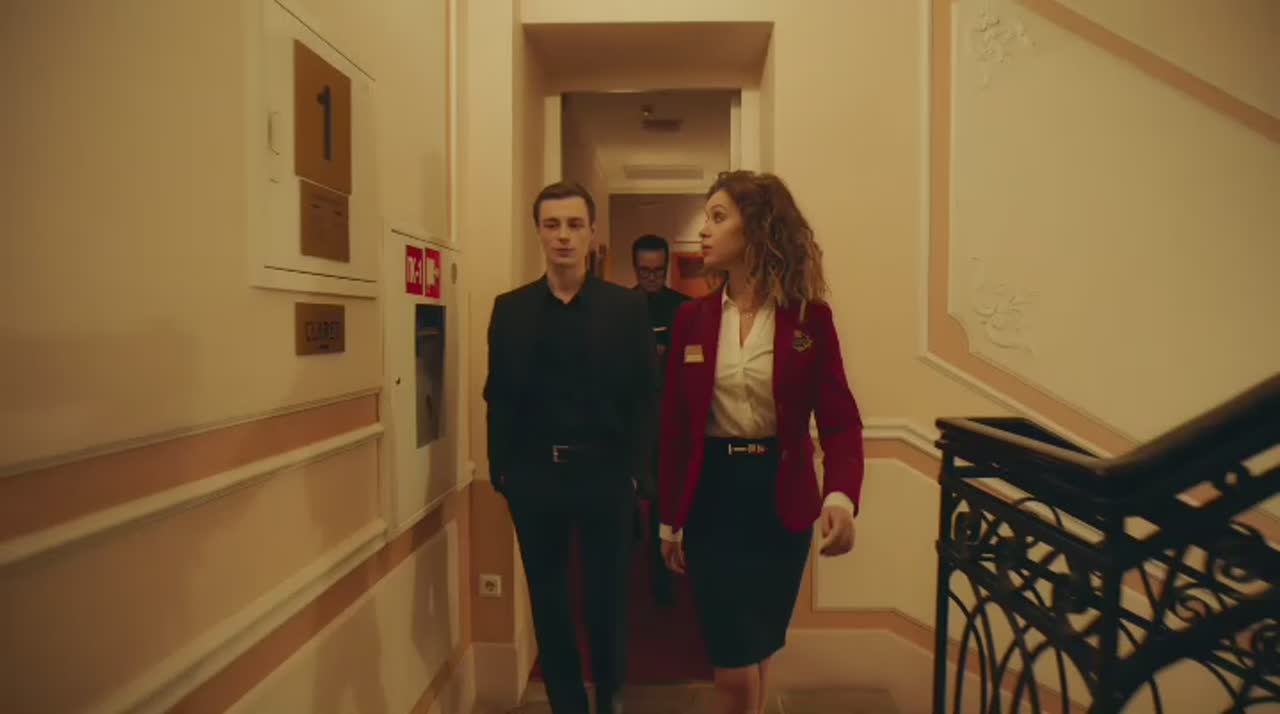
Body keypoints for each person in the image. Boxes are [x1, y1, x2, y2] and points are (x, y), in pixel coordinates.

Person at [657, 171, 864, 714]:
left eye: (718, 217)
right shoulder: (691, 319)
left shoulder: (809, 320)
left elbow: (840, 422)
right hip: (713, 500)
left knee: (761, 643)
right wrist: (669, 518)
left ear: (757, 228)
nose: (704, 230)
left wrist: (840, 496)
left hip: (781, 500)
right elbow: (675, 429)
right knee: (732, 663)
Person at [484, 181, 658, 714]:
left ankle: (609, 701)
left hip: (605, 476)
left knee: (606, 602)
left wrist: (636, 475)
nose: (563, 236)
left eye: (574, 225)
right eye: (552, 225)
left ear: (592, 234)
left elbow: (644, 397)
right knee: (549, 602)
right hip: (535, 478)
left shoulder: (625, 309)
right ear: (538, 232)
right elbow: (498, 395)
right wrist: (502, 471)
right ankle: (567, 705)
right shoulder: (510, 310)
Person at [631, 234, 691, 609]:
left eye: (657, 271)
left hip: (671, 415)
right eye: (645, 271)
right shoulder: (622, 307)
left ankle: (663, 577)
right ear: (635, 269)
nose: (651, 278)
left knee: (666, 497)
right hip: (634, 417)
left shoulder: (683, 308)